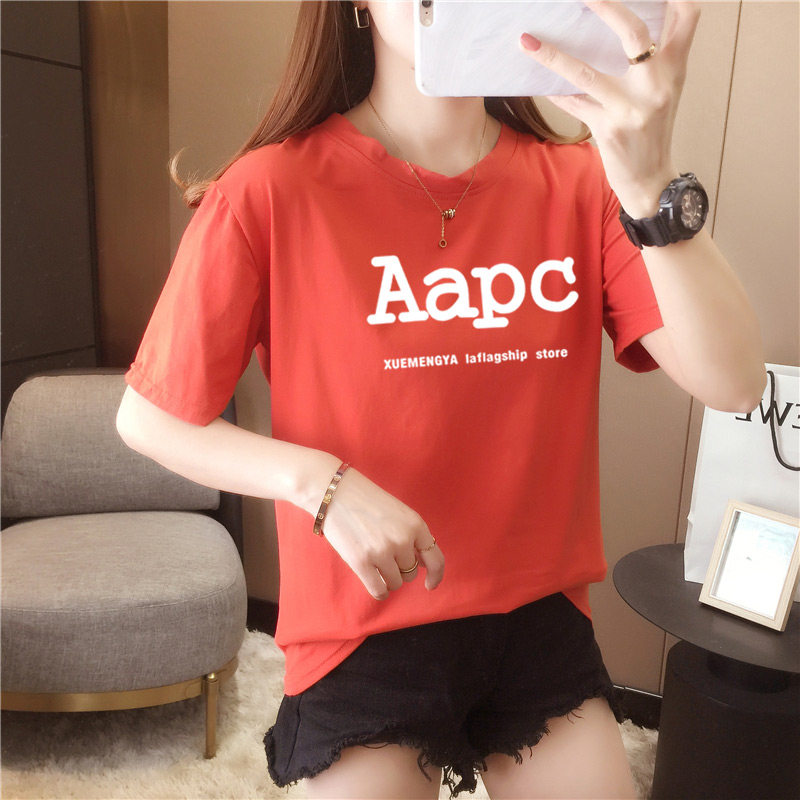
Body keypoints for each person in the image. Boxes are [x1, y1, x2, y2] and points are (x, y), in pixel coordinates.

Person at [116, 1, 766, 797]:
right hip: (364, 623)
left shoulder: (584, 184)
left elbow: (735, 381)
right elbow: (148, 417)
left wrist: (648, 179)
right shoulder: (271, 189)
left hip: (536, 618)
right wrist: (320, 482)